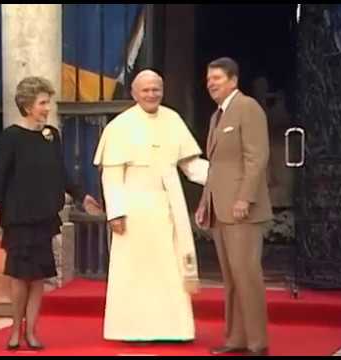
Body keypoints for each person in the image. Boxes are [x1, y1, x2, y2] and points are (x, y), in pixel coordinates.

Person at [93, 69, 209, 342]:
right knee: (136, 272)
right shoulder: (119, 126)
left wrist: (226, 177)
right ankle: (133, 331)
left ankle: (173, 330)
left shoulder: (173, 119)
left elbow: (191, 166)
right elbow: (112, 175)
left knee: (169, 270)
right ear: (134, 93)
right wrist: (116, 213)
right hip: (134, 210)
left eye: (156, 89)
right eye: (145, 90)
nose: (151, 94)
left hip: (167, 207)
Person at [0, 76, 101, 351]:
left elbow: (60, 172)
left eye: (47, 102)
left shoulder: (52, 135)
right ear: (27, 105)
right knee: (19, 276)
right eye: (42, 102)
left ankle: (32, 331)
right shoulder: (12, 135)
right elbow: (0, 174)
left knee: (38, 277)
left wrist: (81, 195)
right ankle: (15, 329)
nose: (47, 107)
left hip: (44, 216)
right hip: (18, 217)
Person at [195, 57, 273, 356]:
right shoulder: (217, 116)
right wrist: (205, 203)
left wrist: (245, 198)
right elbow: (215, 167)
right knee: (231, 278)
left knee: (246, 275)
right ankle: (236, 339)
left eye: (216, 78)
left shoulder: (247, 108)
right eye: (208, 79)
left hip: (242, 209)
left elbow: (257, 157)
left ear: (233, 80)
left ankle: (257, 343)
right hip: (220, 209)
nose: (211, 83)